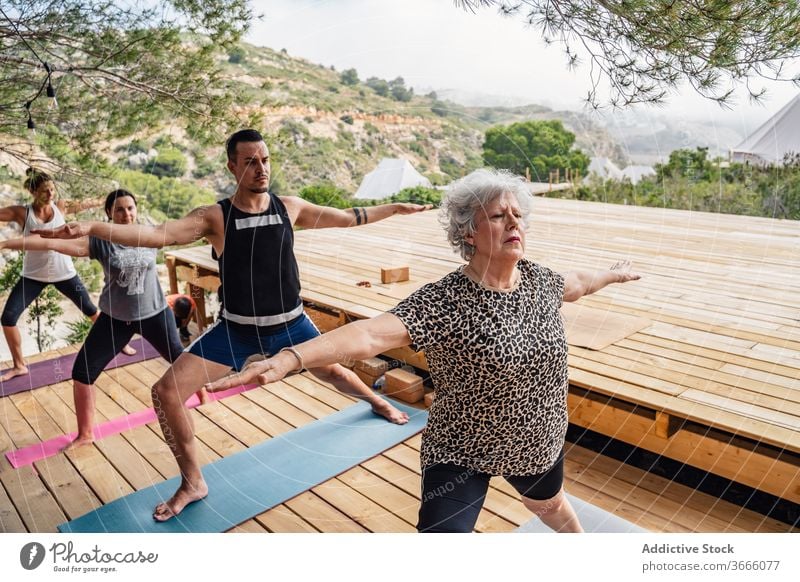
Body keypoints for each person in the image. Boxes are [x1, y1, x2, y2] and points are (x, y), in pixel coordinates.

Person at [208, 168, 642, 533]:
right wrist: (289, 358)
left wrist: (611, 274)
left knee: (548, 507)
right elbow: (370, 335)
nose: (514, 223)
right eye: (498, 215)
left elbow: (579, 284)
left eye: (517, 214)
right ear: (469, 234)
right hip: (461, 448)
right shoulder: (444, 301)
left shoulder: (541, 282)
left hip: (536, 441)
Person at [36, 128, 432, 521]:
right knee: (165, 393)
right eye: (250, 162)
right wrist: (93, 227)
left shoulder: (289, 207)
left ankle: (377, 400)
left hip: (291, 324)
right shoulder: (215, 217)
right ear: (232, 167)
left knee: (331, 372)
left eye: (265, 160)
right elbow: (158, 235)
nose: (261, 169)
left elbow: (349, 217)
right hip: (236, 330)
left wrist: (394, 207)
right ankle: (193, 482)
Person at [0, 189, 196, 447]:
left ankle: (203, 395)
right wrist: (6, 243)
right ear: (109, 214)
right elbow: (50, 244)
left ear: (136, 210)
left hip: (155, 314)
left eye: (130, 208)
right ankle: (85, 434)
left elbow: (188, 230)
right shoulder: (100, 241)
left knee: (181, 361)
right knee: (82, 372)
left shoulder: (150, 234)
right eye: (119, 210)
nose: (126, 214)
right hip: (115, 319)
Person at [0, 168, 105, 381]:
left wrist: (106, 199)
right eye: (44, 191)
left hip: (64, 274)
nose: (50, 194)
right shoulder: (23, 213)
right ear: (33, 192)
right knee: (8, 318)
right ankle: (19, 366)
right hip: (32, 276)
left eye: (52, 189)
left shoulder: (60, 207)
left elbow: (86, 203)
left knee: (91, 310)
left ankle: (116, 344)